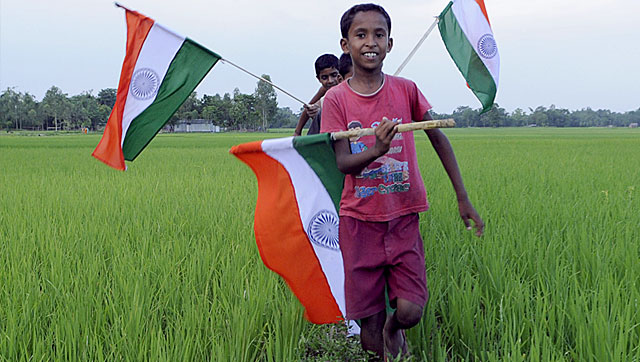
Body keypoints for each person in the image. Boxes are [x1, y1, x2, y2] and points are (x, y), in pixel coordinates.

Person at [320, 4, 484, 360]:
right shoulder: (336, 100)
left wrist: (462, 196)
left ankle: (395, 330)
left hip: (403, 217)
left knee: (410, 310)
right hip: (359, 222)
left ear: (390, 43)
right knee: (368, 329)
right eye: (360, 34)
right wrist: (377, 149)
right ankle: (383, 343)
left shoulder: (406, 90)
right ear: (345, 45)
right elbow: (344, 162)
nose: (370, 42)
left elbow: (438, 137)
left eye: (378, 34)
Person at [293, 54, 341, 136]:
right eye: (325, 77)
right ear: (318, 79)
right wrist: (297, 132)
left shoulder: (348, 86)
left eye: (334, 75)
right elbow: (309, 106)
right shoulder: (326, 89)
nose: (330, 81)